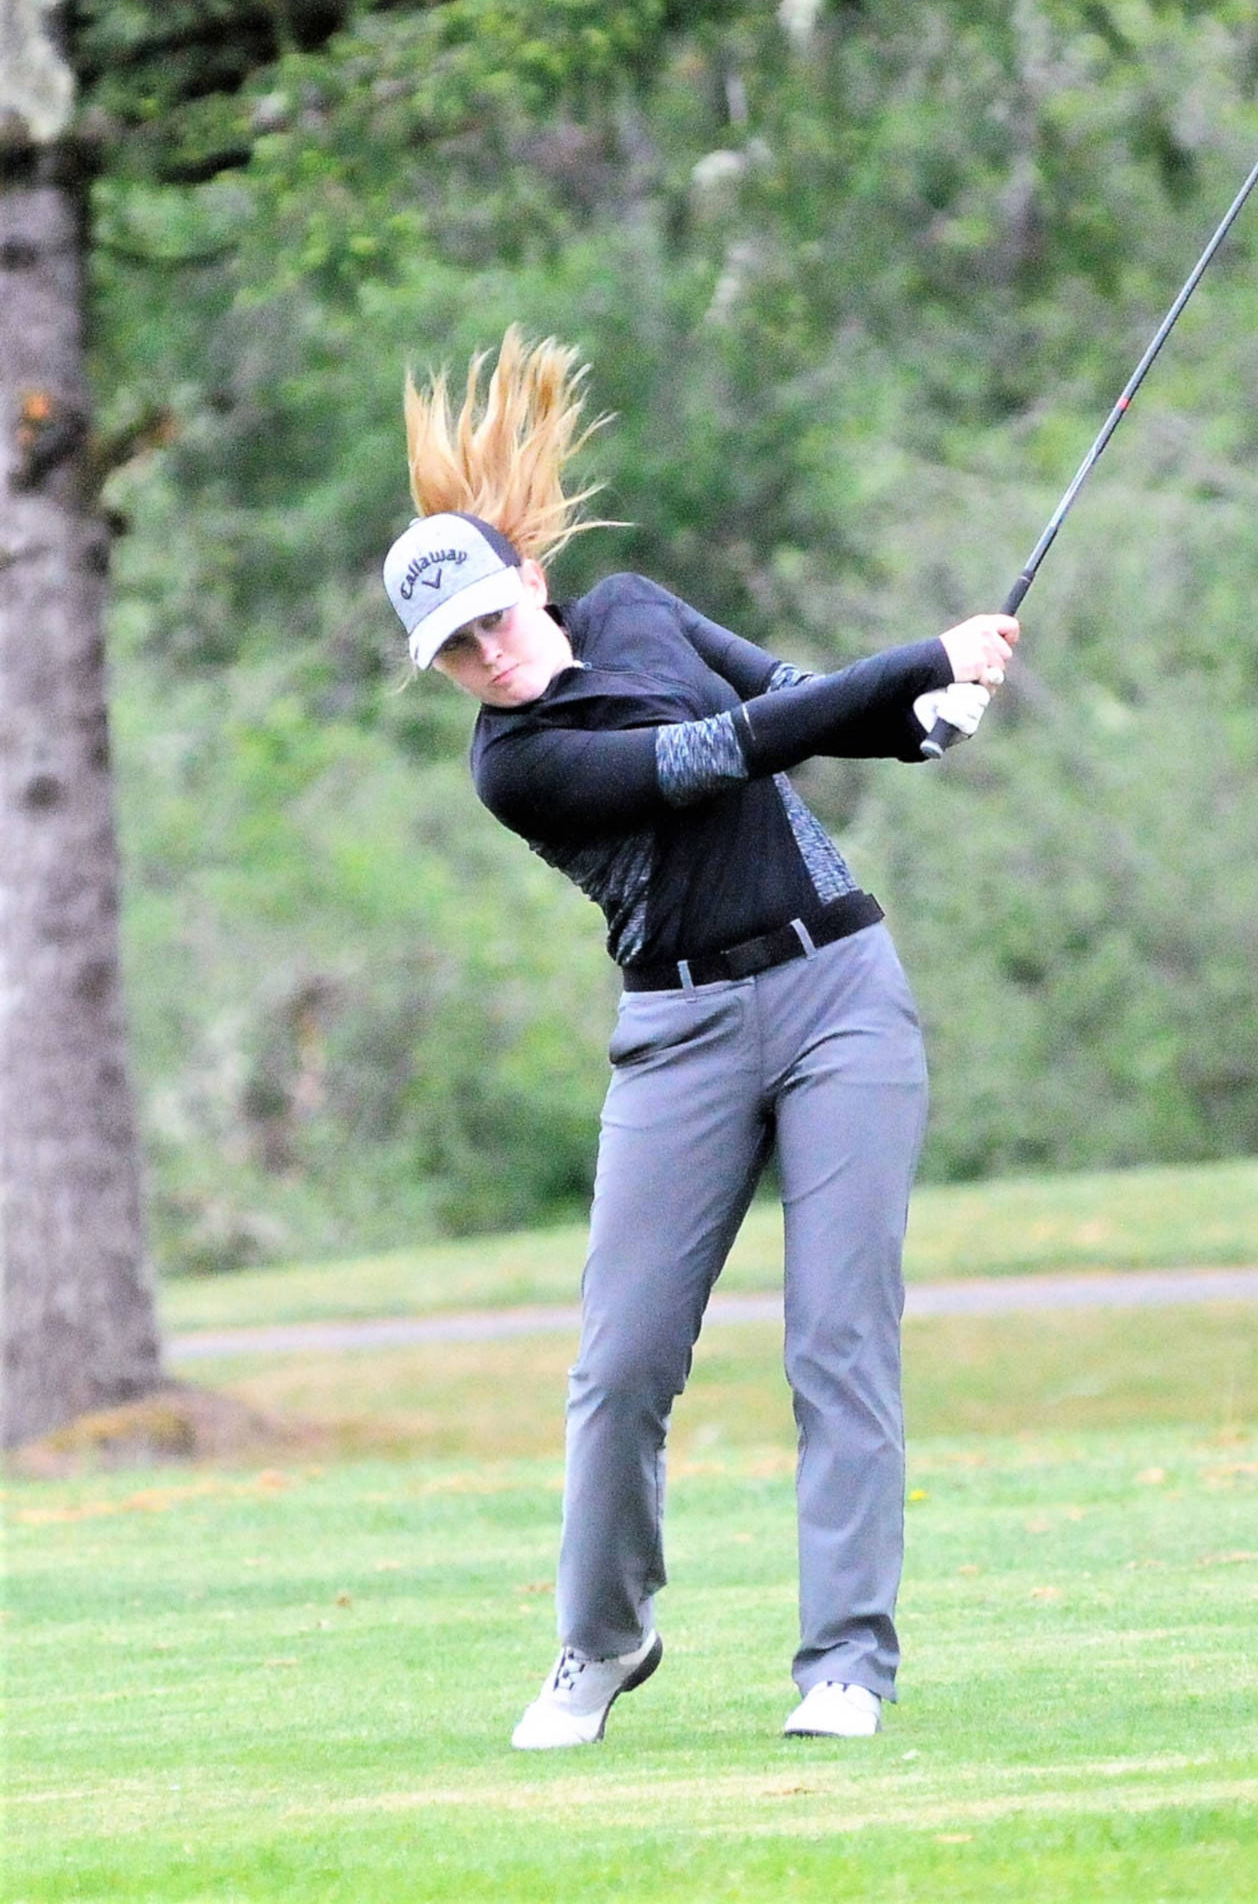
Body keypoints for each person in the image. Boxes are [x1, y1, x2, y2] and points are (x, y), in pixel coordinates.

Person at [382, 328, 1018, 1748]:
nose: (487, 656)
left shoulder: (641, 609)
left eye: (492, 618)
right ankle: (602, 1641)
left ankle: (846, 1659)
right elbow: (709, 756)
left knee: (838, 1341)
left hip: (842, 989)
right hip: (679, 1035)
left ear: (530, 580)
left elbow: (789, 697)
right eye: (455, 651)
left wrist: (928, 714)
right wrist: (920, 651)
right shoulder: (521, 767)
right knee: (620, 1366)